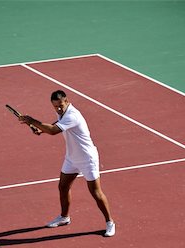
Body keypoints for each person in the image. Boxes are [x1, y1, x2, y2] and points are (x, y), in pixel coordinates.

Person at [19, 90, 115, 237]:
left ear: (67, 101)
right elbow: (56, 124)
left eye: (60, 105)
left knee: (95, 192)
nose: (58, 108)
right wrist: (41, 129)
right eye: (55, 106)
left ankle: (110, 222)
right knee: (63, 187)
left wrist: (32, 121)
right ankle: (64, 217)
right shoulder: (63, 113)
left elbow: (53, 130)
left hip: (87, 158)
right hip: (72, 158)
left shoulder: (72, 115)